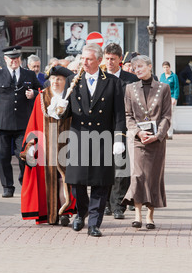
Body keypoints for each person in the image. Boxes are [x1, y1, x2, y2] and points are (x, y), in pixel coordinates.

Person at [55, 43, 126, 237]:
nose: (84, 62)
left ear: (99, 60)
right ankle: (81, 213)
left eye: (88, 59)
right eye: (82, 59)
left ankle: (95, 222)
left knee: (100, 184)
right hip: (79, 137)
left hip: (102, 137)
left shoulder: (113, 82)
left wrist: (119, 138)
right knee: (76, 182)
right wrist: (59, 109)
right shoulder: (73, 80)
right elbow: (65, 113)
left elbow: (119, 114)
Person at [0, 45, 43, 198]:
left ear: (20, 59)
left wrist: (34, 93)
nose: (14, 61)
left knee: (24, 156)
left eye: (16, 58)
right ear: (5, 59)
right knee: (3, 157)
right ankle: (7, 187)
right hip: (1, 124)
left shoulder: (29, 74)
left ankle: (24, 182)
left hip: (23, 123)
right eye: (11, 59)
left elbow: (42, 91)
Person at [20, 66, 77, 226]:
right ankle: (51, 214)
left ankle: (65, 212)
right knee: (48, 180)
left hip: (67, 144)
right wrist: (31, 145)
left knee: (64, 180)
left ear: (65, 81)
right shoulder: (42, 98)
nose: (55, 82)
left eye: (59, 79)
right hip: (46, 148)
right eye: (52, 79)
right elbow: (34, 122)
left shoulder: (71, 96)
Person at [122, 55, 172, 229]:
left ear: (150, 66)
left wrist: (158, 135)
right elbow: (128, 115)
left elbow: (166, 115)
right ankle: (137, 214)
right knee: (137, 176)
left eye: (141, 66)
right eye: (135, 68)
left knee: (153, 176)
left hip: (156, 140)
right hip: (137, 139)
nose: (138, 70)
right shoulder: (130, 88)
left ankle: (150, 214)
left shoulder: (163, 88)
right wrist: (138, 132)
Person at [102, 43, 139, 220]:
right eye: (107, 58)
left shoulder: (130, 80)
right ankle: (106, 204)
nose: (109, 62)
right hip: (102, 129)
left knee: (121, 169)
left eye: (113, 59)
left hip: (123, 128)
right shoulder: (100, 77)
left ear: (120, 60)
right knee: (104, 167)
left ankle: (118, 205)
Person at [160, 62, 180, 139]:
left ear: (169, 67)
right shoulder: (162, 76)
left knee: (170, 116)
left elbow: (176, 88)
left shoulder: (174, 76)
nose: (166, 69)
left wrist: (175, 98)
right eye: (164, 67)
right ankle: (163, 132)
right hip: (163, 98)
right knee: (163, 115)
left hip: (171, 97)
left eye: (167, 67)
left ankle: (170, 133)